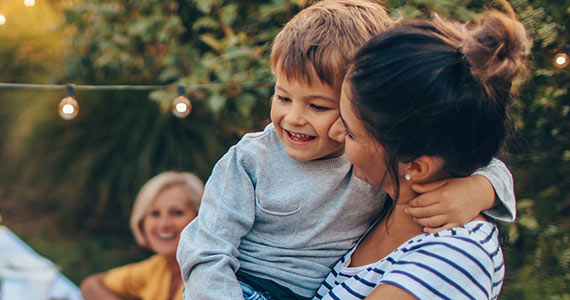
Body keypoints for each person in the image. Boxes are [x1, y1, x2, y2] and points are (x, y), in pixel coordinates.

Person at [177, 1, 517, 299]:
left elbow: (463, 158)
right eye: (282, 97)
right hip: (243, 287)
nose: (293, 118)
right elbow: (206, 248)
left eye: (321, 107)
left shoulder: (375, 172)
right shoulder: (252, 159)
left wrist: (480, 188)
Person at [315, 3, 528, 299]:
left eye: (351, 131)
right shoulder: (382, 200)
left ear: (415, 167)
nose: (335, 132)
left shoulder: (455, 256)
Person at [80, 172, 204, 300]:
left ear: (199, 218)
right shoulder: (157, 268)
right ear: (141, 221)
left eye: (177, 213)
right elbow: (91, 284)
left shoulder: (210, 271)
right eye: (155, 214)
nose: (164, 224)